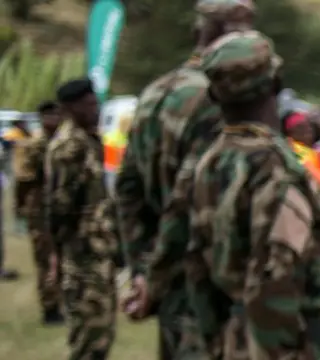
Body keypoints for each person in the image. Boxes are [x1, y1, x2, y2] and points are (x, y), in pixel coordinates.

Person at [177, 30, 320, 359]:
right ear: (275, 83)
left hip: (233, 338)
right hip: (284, 343)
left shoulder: (209, 162)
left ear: (214, 95)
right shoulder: (276, 168)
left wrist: (214, 340)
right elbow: (275, 275)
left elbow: (196, 263)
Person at [116, 1, 255, 359]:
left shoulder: (153, 94)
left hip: (169, 275)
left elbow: (128, 187)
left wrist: (141, 269)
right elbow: (189, 197)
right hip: (207, 277)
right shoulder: (217, 99)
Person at [44, 79, 118, 360]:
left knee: (102, 333)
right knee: (89, 337)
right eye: (88, 105)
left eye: (95, 103)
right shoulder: (68, 147)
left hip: (99, 251)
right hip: (82, 255)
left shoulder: (89, 140)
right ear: (69, 108)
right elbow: (59, 207)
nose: (95, 109)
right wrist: (60, 256)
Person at [14, 100, 64, 324]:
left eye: (57, 115)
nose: (54, 120)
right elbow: (23, 181)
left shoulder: (65, 142)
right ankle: (50, 307)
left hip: (61, 208)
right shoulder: (35, 146)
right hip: (40, 209)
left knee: (63, 257)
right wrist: (21, 206)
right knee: (45, 259)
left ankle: (62, 302)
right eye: (49, 116)